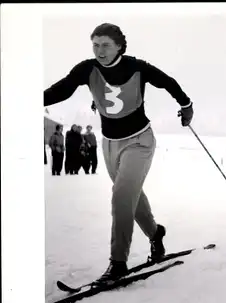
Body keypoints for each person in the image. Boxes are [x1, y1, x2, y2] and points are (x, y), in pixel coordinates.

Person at [44, 23, 194, 285]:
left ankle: (118, 263)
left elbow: (167, 82)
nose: (99, 50)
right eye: (95, 45)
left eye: (105, 45)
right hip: (109, 144)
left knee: (122, 195)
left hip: (140, 141)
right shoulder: (87, 69)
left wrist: (186, 105)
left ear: (119, 47)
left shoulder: (137, 67)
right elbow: (63, 88)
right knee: (131, 198)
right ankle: (156, 234)